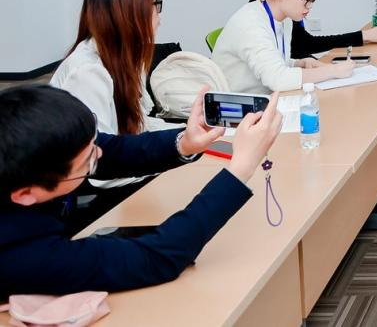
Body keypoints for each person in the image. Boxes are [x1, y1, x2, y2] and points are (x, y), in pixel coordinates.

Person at [0, 84, 282, 297]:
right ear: (25, 194)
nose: (99, 154)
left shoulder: (31, 159)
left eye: (94, 144)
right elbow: (157, 256)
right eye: (88, 162)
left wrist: (185, 142)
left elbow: (113, 151)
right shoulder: (22, 256)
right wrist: (240, 169)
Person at [50, 0, 173, 219]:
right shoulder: (87, 72)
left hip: (119, 175)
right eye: (155, 4)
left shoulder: (126, 58)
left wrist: (186, 135)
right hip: (92, 193)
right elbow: (99, 164)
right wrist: (171, 158)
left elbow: (139, 125)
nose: (160, 16)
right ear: (129, 13)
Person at [213, 0, 353, 94]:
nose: (310, 6)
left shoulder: (284, 19)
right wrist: (333, 70)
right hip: (239, 105)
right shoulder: (250, 24)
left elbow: (271, 63)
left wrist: (298, 63)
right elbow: (277, 79)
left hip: (268, 97)